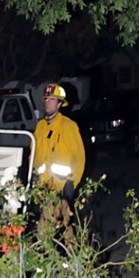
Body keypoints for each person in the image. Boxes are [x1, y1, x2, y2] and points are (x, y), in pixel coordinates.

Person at [32, 83, 85, 229]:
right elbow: (34, 155)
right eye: (46, 99)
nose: (47, 102)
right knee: (42, 228)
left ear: (60, 103)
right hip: (43, 189)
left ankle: (71, 249)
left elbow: (79, 158)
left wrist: (71, 183)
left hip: (62, 188)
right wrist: (34, 176)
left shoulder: (69, 126)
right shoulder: (40, 127)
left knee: (64, 228)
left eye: (52, 100)